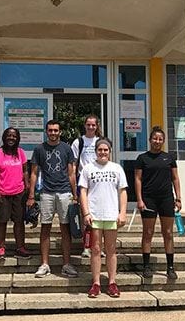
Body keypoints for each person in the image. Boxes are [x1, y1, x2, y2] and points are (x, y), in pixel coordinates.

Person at [27, 120, 78, 278]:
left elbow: (71, 173)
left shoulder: (66, 149)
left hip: (64, 192)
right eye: (50, 130)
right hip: (46, 192)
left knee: (65, 228)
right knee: (45, 228)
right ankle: (44, 264)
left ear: (60, 132)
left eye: (56, 130)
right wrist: (31, 195)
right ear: (46, 131)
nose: (53, 133)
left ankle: (67, 264)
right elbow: (34, 173)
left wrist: (75, 194)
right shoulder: (39, 149)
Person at [79, 139, 127, 298]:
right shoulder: (88, 168)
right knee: (96, 250)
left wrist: (122, 212)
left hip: (111, 215)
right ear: (96, 151)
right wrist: (86, 213)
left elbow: (122, 192)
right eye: (100, 149)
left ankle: (112, 282)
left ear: (110, 151)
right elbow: (83, 192)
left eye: (106, 150)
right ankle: (96, 283)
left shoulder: (117, 168)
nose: (103, 152)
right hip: (94, 215)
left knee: (111, 250)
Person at [134, 126, 182, 280]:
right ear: (150, 140)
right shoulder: (142, 158)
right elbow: (138, 179)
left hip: (166, 198)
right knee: (148, 232)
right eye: (155, 138)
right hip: (149, 199)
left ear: (163, 141)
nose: (157, 141)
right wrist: (139, 199)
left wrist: (178, 198)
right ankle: (146, 266)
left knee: (168, 233)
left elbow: (175, 178)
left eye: (160, 139)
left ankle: (170, 267)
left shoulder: (169, 158)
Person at [0, 127, 31, 260]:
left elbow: (25, 170)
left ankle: (20, 247)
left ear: (17, 138)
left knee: (19, 221)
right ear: (4, 137)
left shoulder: (20, 152)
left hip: (19, 192)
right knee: (1, 221)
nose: (11, 138)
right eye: (9, 135)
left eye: (14, 136)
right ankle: (1, 247)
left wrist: (27, 186)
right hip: (2, 192)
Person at [71, 115, 103, 258]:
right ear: (84, 125)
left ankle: (98, 246)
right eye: (88, 125)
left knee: (100, 216)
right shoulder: (78, 142)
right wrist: (73, 188)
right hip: (83, 182)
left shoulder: (101, 142)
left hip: (100, 182)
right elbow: (72, 165)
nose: (91, 127)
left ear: (97, 126)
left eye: (93, 125)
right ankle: (86, 246)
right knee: (86, 216)